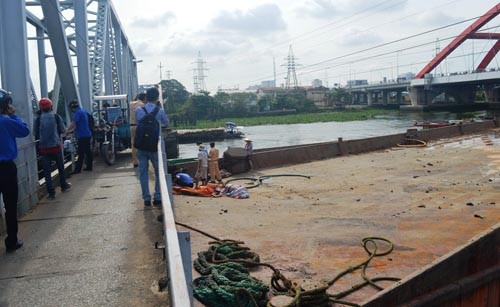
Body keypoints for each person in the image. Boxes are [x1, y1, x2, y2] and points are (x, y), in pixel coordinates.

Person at [0, 89, 30, 252]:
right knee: (10, 205)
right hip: (5, 168)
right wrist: (14, 115)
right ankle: (11, 241)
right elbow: (24, 130)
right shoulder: (6, 121)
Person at [135, 87, 169, 207]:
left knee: (143, 173)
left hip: (141, 146)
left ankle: (146, 198)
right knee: (159, 172)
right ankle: (158, 196)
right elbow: (166, 123)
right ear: (156, 97)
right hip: (155, 146)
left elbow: (137, 121)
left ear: (146, 97)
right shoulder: (159, 111)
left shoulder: (139, 110)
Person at [34, 98, 71, 200]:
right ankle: (63, 186)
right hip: (56, 147)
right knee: (60, 168)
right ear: (51, 106)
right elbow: (63, 130)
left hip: (44, 149)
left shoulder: (37, 119)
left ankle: (51, 193)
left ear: (41, 108)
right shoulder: (55, 117)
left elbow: (35, 134)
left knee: (47, 172)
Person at [66, 100, 93, 173]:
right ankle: (89, 167)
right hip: (87, 134)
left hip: (82, 136)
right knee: (87, 151)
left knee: (80, 153)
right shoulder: (82, 111)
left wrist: (66, 131)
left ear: (72, 107)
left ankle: (77, 169)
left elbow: (73, 123)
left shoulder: (78, 113)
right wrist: (71, 130)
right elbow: (79, 124)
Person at [129, 92, 146, 167]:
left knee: (133, 143)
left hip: (132, 125)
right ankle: (142, 160)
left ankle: (135, 161)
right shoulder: (143, 105)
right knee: (142, 142)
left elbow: (134, 101)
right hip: (140, 126)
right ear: (144, 98)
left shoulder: (131, 104)